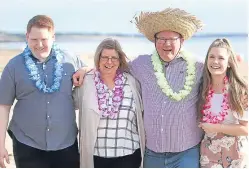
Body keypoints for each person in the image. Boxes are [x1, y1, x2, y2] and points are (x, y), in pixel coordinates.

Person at [73, 8, 205, 168]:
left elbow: (219, 80)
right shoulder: (141, 65)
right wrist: (86, 69)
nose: (166, 43)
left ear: (182, 40)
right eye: (161, 38)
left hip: (186, 151)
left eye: (172, 39)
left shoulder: (198, 68)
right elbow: (112, 67)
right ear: (154, 41)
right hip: (152, 153)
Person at [0, 15, 83, 168]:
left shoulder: (70, 60)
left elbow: (91, 76)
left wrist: (85, 70)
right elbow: (3, 107)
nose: (39, 45)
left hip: (66, 143)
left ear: (53, 37)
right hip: (27, 143)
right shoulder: (13, 66)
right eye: (34, 39)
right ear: (27, 37)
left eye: (44, 39)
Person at [73, 38, 145, 168]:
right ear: (98, 59)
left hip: (129, 155)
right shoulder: (86, 82)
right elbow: (67, 105)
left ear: (120, 60)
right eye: (104, 57)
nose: (109, 62)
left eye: (114, 58)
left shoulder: (132, 82)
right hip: (97, 157)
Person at [198, 38, 248, 168]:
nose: (215, 61)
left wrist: (216, 128)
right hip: (209, 153)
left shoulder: (239, 90)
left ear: (229, 63)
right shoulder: (201, 88)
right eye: (211, 57)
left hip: (235, 154)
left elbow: (246, 129)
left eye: (221, 58)